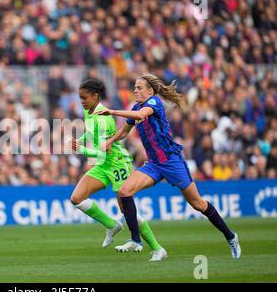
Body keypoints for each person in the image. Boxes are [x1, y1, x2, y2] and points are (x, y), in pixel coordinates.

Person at [96, 74, 241, 259]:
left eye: (139, 87)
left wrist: (112, 111)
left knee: (198, 204)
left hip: (172, 161)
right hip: (154, 164)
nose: (135, 90)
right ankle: (135, 240)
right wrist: (110, 141)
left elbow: (141, 115)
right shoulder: (135, 108)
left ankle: (230, 236)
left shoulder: (154, 103)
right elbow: (125, 131)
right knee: (124, 191)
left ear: (150, 91)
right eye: (134, 87)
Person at [70, 78, 167, 261]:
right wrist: (81, 140)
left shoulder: (103, 118)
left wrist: (81, 149)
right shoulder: (87, 111)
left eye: (84, 98)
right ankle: (112, 225)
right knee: (76, 198)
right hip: (103, 164)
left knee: (127, 210)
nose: (81, 101)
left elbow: (103, 151)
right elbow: (91, 133)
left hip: (117, 163)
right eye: (80, 97)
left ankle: (157, 248)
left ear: (95, 96)